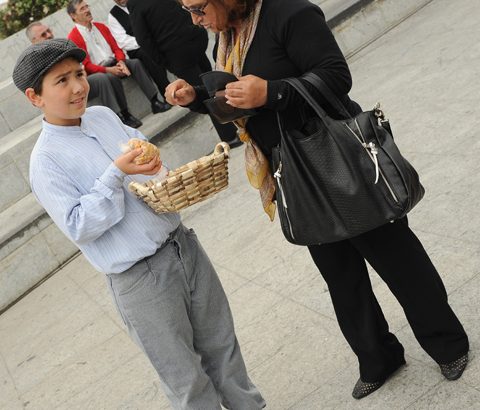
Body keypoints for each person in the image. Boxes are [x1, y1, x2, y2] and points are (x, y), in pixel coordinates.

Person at [166, 0, 470, 400]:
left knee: (397, 259)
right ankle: (379, 357)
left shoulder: (288, 13)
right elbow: (237, 108)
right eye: (188, 10)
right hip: (292, 172)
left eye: (198, 8)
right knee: (339, 273)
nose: (195, 19)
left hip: (337, 157)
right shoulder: (227, 38)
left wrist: (271, 92)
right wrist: (195, 98)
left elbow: (335, 75)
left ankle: (447, 343)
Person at [12, 38, 265, 410]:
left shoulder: (102, 116)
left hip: (181, 244)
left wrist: (151, 164)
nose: (79, 87)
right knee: (186, 380)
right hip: (138, 278)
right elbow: (78, 225)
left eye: (79, 74)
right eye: (62, 81)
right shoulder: (45, 161)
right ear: (35, 97)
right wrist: (116, 173)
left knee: (224, 350)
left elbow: (143, 151)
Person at [127, 0, 242, 148]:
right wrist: (164, 61)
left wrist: (200, 35)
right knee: (207, 95)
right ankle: (229, 136)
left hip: (193, 46)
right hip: (177, 54)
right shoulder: (135, 4)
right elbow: (143, 39)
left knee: (214, 87)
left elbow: (187, 9)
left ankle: (233, 129)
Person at [66, 0, 171, 129]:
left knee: (135, 63)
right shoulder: (74, 37)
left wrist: (121, 61)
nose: (87, 10)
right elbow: (86, 64)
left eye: (87, 6)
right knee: (109, 77)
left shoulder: (101, 26)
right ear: (73, 15)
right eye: (82, 9)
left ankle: (155, 101)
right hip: (98, 70)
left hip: (115, 62)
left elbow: (116, 48)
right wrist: (108, 70)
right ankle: (124, 115)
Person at [25, 21, 143, 128]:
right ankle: (117, 118)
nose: (49, 35)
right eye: (43, 34)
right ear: (34, 41)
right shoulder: (34, 63)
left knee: (112, 77)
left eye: (48, 31)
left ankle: (125, 113)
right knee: (102, 78)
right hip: (65, 92)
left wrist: (80, 73)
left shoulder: (63, 46)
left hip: (81, 80)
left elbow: (82, 66)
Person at [107, 0, 172, 102]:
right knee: (148, 52)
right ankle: (167, 93)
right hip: (135, 49)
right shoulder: (113, 16)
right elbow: (123, 41)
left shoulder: (140, 2)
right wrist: (144, 41)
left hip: (153, 39)